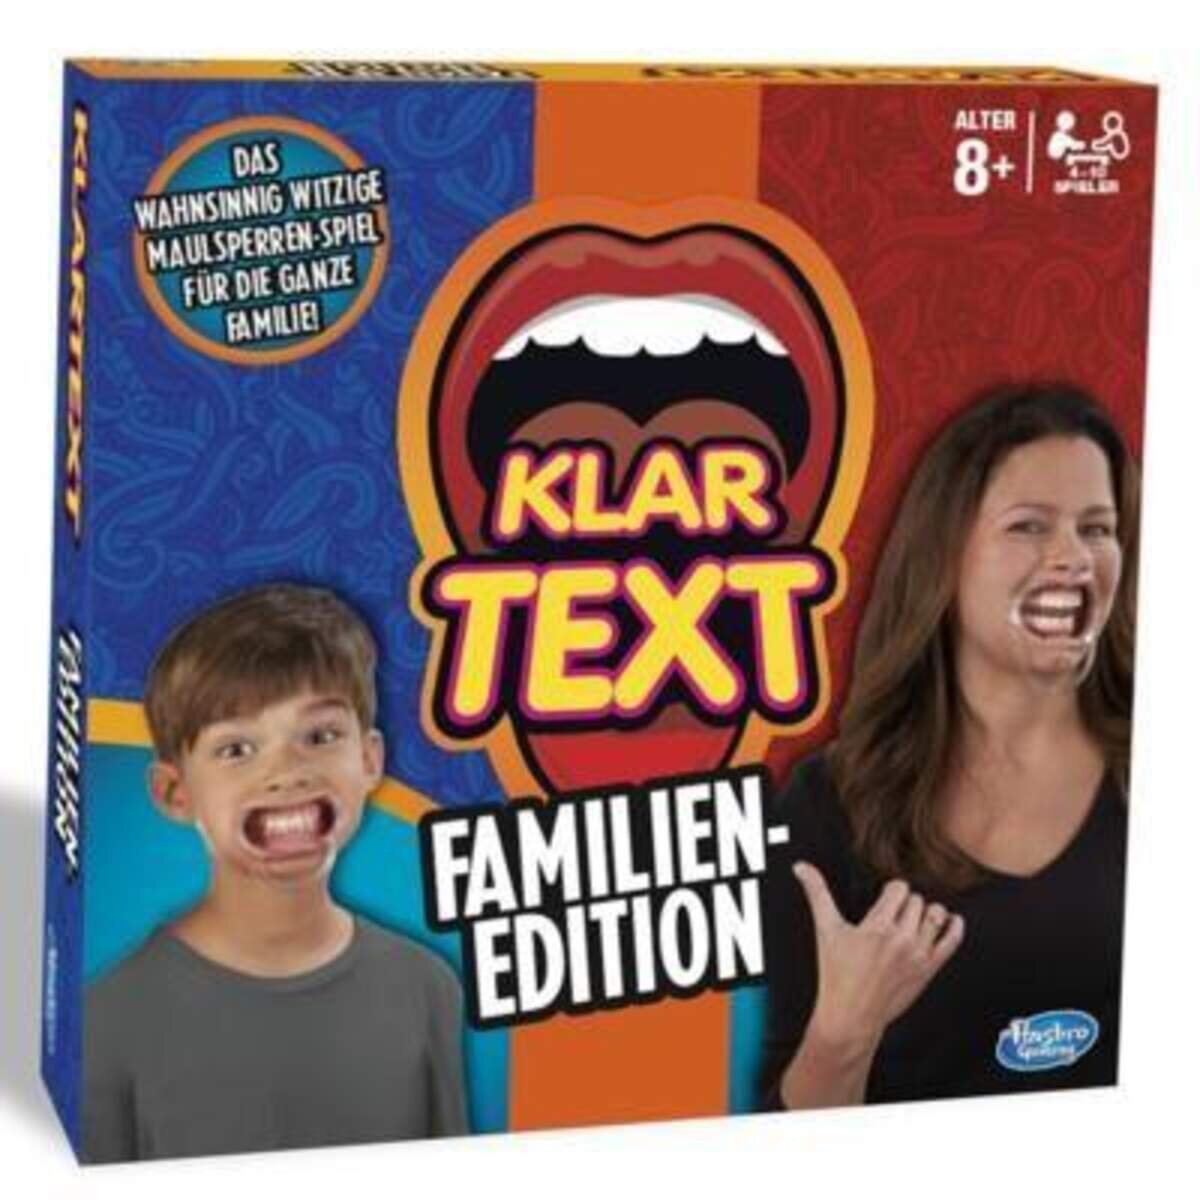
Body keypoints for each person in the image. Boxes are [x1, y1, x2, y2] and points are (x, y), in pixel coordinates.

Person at [760, 383, 1137, 1108]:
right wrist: (843, 1033)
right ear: (945, 554)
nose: (1074, 558)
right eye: (1029, 526)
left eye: (1097, 528)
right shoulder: (830, 804)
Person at [84, 584, 470, 1162]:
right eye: (237, 749)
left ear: (370, 760)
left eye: (320, 736)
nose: (288, 772)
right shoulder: (110, 1019)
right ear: (174, 792)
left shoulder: (427, 987)